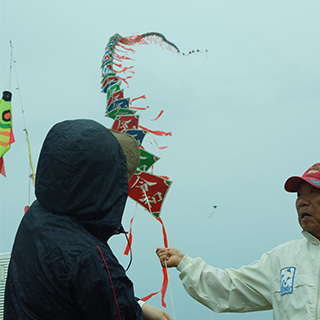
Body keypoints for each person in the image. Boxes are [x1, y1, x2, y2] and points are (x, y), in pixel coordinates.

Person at [4, 119, 172, 320]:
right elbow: (117, 309)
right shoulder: (90, 257)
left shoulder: (37, 215)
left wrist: (139, 305)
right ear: (105, 184)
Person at [156, 163, 320, 319]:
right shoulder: (284, 258)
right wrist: (184, 263)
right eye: (299, 195)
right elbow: (230, 288)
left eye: (313, 192)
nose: (302, 202)